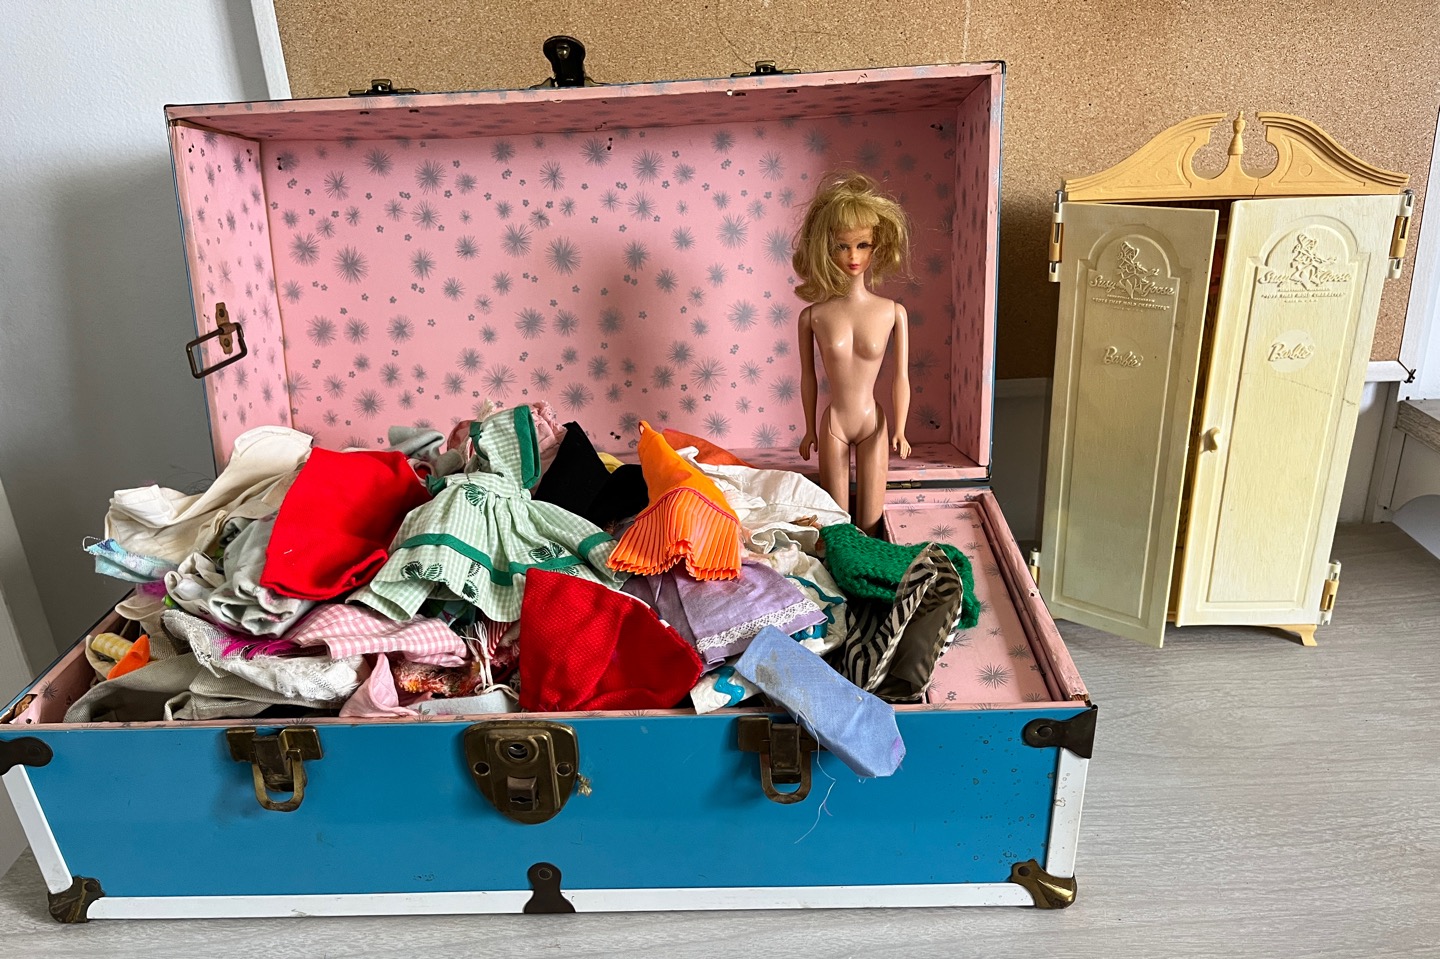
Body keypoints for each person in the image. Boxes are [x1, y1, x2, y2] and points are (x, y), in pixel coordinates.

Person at [793, 173, 912, 536]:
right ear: (825, 249)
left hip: (873, 422)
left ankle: (870, 568)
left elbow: (901, 376)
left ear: (877, 245)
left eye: (863, 245)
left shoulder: (892, 312)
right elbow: (808, 376)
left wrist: (901, 429)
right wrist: (809, 428)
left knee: (872, 523)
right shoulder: (813, 316)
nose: (853, 256)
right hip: (835, 423)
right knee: (837, 523)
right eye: (841, 246)